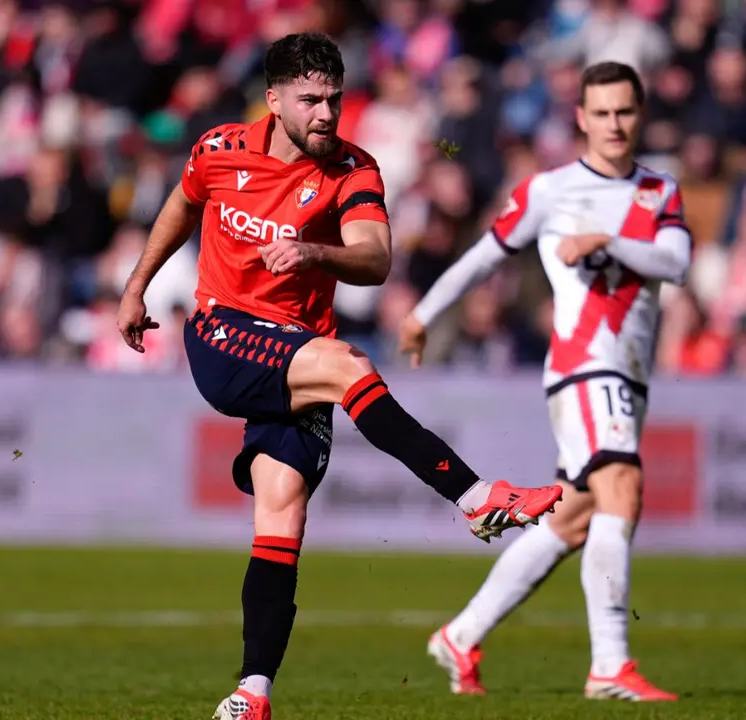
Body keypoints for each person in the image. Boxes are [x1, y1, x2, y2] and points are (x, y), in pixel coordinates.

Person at [114, 32, 563, 720]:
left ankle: (251, 694)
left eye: (335, 99)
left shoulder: (354, 169)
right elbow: (182, 204)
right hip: (221, 335)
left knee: (281, 510)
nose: (327, 114)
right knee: (348, 363)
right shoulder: (219, 150)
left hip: (297, 349)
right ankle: (475, 498)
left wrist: (314, 252)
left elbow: (376, 257)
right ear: (274, 101)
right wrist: (135, 286)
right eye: (312, 101)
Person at [399, 61, 688, 702]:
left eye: (625, 111)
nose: (614, 123)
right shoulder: (551, 190)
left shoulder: (659, 190)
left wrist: (604, 241)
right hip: (586, 366)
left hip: (629, 374)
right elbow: (484, 256)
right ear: (581, 118)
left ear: (639, 116)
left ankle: (461, 634)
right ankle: (610, 665)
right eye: (602, 112)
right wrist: (422, 314)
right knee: (624, 487)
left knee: (576, 516)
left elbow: (677, 263)